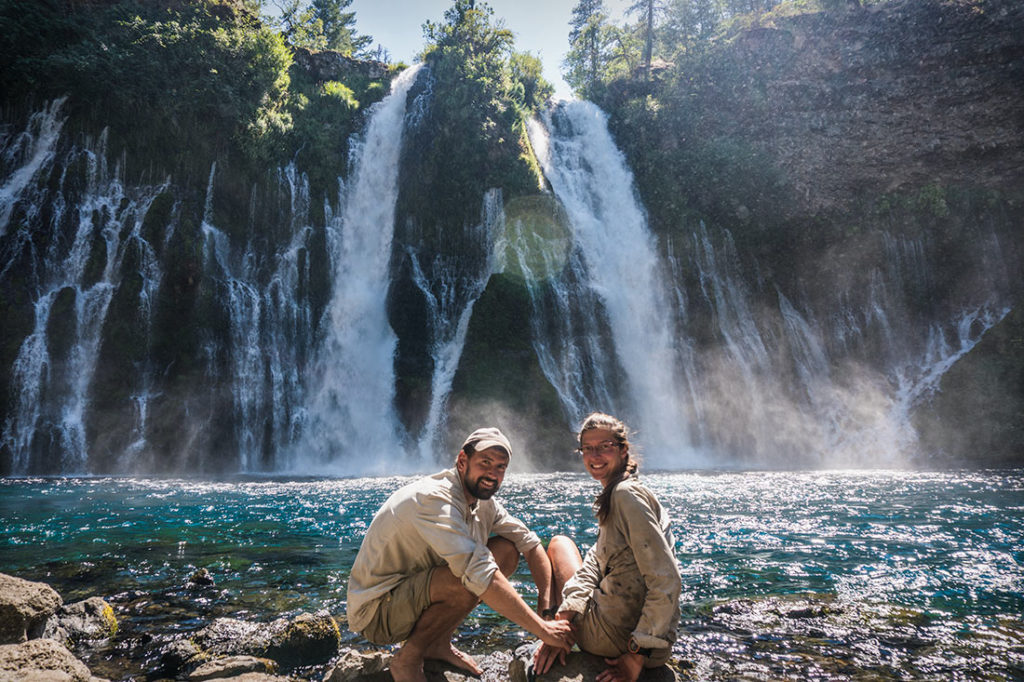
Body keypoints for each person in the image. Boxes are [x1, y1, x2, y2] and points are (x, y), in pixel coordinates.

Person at [346, 427, 574, 682]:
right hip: (376, 612)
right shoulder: (435, 499)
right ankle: (408, 659)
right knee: (470, 579)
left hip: (410, 595)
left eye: (501, 467)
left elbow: (530, 544)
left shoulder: (483, 503)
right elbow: (480, 574)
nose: (493, 473)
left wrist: (547, 608)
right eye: (485, 463)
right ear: (462, 461)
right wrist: (542, 630)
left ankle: (437, 644)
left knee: (507, 552)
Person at [535, 412, 681, 682]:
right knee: (574, 557)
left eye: (605, 447)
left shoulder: (625, 495)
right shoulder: (622, 492)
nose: (595, 455)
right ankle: (555, 629)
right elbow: (595, 562)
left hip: (620, 640)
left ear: (623, 449)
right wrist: (568, 613)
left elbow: (667, 579)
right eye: (588, 448)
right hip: (647, 640)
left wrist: (636, 655)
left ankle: (549, 633)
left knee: (559, 545)